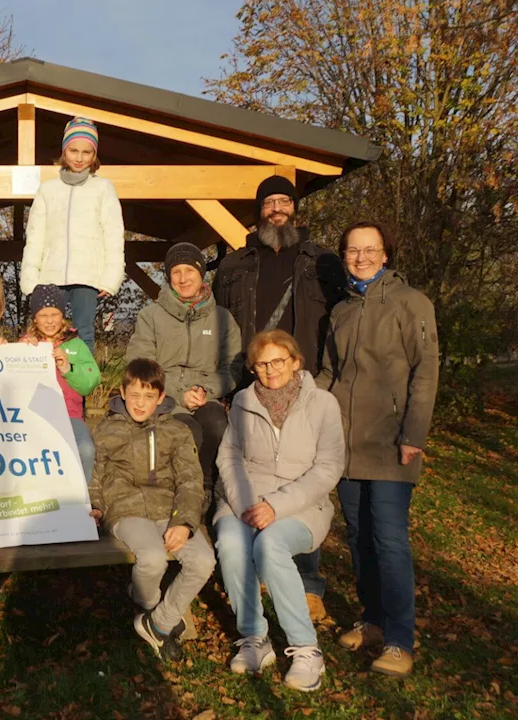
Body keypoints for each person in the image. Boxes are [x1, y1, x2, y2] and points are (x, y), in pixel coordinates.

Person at [213, 176, 347, 622]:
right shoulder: (233, 265)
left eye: (284, 201)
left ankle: (307, 584)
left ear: (295, 208)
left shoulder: (323, 261)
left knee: (299, 467)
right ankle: (243, 574)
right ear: (259, 210)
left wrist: (326, 380)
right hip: (251, 381)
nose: (276, 209)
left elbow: (338, 323)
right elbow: (221, 327)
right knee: (252, 465)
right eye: (268, 202)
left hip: (302, 381)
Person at [317, 221, 439, 678]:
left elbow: (425, 374)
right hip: (347, 445)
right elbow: (330, 372)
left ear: (386, 254)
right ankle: (371, 620)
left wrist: (414, 435)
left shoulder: (412, 303)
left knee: (389, 540)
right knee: (357, 537)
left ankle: (398, 640)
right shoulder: (342, 310)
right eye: (352, 250)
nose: (361, 257)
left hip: (392, 443)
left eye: (370, 250)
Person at [213, 330, 345, 692]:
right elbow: (228, 457)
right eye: (262, 364)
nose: (271, 370)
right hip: (244, 500)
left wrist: (276, 506)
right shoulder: (242, 401)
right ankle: (255, 638)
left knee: (271, 545)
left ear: (295, 362)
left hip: (302, 505)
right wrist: (244, 505)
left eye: (278, 361)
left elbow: (328, 468)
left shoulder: (323, 404)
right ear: (253, 368)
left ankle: (305, 649)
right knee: (230, 541)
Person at [89, 358, 216, 663]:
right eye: (134, 395)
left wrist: (185, 522)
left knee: (202, 560)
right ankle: (152, 607)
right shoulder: (107, 429)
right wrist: (96, 506)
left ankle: (157, 623)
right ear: (122, 393)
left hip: (170, 509)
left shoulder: (176, 431)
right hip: (126, 508)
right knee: (153, 559)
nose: (140, 404)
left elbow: (190, 479)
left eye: (149, 397)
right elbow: (97, 474)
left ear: (161, 397)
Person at [125, 242, 241, 502]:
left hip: (206, 396)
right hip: (165, 397)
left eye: (189, 270)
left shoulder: (223, 319)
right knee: (188, 432)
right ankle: (186, 491)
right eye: (176, 272)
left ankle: (206, 483)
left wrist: (205, 390)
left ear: (201, 274)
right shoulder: (151, 316)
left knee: (216, 424)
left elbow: (233, 367)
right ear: (168, 277)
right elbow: (139, 363)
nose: (183, 278)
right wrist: (177, 394)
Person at [19, 117, 125, 352]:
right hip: (50, 276)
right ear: (64, 151)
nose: (79, 157)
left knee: (83, 330)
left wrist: (111, 277)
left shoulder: (103, 188)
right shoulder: (48, 189)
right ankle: (44, 381)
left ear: (94, 155)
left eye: (86, 152)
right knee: (46, 328)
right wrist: (30, 278)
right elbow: (35, 237)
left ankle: (80, 385)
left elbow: (113, 234)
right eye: (74, 150)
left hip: (87, 276)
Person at [19, 284, 100, 483]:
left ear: (62, 315)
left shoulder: (76, 344)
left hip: (70, 416)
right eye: (43, 315)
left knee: (86, 450)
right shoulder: (25, 344)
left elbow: (90, 382)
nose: (49, 321)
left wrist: (68, 369)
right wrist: (21, 352)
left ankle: (86, 504)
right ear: (35, 318)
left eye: (54, 314)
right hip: (33, 417)